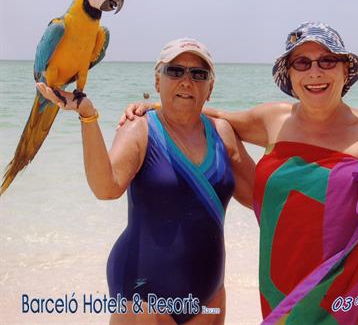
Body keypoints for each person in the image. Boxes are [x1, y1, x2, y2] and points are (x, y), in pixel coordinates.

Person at [121, 22, 358, 324]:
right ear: (290, 74)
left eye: (327, 61)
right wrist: (151, 109)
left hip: (347, 294)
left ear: (345, 71)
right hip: (282, 284)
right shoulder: (273, 119)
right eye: (302, 63)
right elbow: (207, 114)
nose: (315, 72)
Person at [37, 38, 255, 325]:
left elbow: (262, 199)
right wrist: (88, 116)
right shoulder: (140, 128)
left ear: (210, 87)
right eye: (175, 71)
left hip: (209, 295)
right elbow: (106, 188)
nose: (186, 81)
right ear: (157, 81)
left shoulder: (222, 133)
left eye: (198, 74)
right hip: (142, 293)